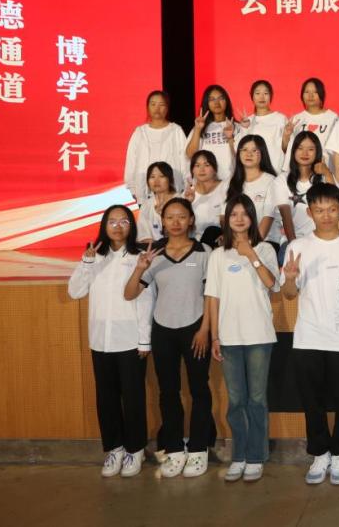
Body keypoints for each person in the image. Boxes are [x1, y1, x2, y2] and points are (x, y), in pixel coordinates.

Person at [281, 182, 339, 486]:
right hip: (308, 338)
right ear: (309, 213)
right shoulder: (297, 248)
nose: (326, 215)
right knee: (312, 401)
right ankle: (320, 453)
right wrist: (290, 279)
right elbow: (289, 294)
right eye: (319, 210)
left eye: (332, 209)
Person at [124, 198, 215, 479]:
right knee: (168, 392)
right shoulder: (154, 253)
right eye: (170, 217)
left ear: (191, 220)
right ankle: (174, 449)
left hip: (196, 330)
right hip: (163, 331)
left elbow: (211, 296)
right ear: (162, 221)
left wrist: (205, 330)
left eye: (182, 216)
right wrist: (140, 267)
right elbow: (129, 293)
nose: (176, 222)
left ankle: (199, 448)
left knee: (199, 390)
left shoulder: (204, 252)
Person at [67, 205, 154, 478]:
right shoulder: (95, 257)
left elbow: (145, 301)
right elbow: (75, 292)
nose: (118, 226)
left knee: (133, 398)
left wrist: (144, 340)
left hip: (130, 341)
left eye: (124, 221)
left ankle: (135, 449)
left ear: (132, 226)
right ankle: (114, 448)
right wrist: (86, 264)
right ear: (104, 226)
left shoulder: (140, 257)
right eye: (112, 221)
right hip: (100, 341)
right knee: (106, 399)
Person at [205, 196, 279, 483]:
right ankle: (239, 455)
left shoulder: (265, 249)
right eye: (233, 214)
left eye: (244, 213)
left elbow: (272, 283)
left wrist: (251, 255)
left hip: (259, 334)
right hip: (229, 337)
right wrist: (214, 336)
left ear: (252, 217)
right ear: (226, 218)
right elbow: (213, 297)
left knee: (257, 399)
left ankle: (256, 456)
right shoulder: (217, 255)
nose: (238, 219)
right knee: (236, 400)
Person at [271, 131, 335, 256]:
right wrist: (294, 246)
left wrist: (327, 173)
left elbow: (336, 205)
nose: (305, 153)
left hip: (323, 240)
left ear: (317, 152)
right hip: (293, 240)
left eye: (310, 149)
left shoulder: (325, 177)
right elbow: (286, 217)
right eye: (300, 148)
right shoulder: (282, 180)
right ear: (293, 151)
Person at [124, 90, 187, 206]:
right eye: (153, 104)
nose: (157, 108)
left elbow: (184, 158)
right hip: (145, 190)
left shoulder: (176, 130)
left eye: (161, 104)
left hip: (172, 190)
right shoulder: (140, 132)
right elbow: (131, 159)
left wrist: (186, 183)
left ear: (167, 108)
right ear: (147, 107)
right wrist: (132, 187)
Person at [225, 135, 282, 247]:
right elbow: (224, 217)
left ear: (262, 153)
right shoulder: (231, 182)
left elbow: (267, 218)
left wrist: (249, 246)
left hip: (264, 242)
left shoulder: (272, 181)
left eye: (254, 150)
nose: (249, 154)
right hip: (237, 243)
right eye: (244, 150)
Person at [281, 77, 338, 172]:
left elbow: (336, 148)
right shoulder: (296, 119)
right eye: (307, 92)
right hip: (300, 171)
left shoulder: (332, 118)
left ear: (321, 94)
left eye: (315, 92)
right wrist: (286, 135)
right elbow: (287, 150)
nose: (310, 96)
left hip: (324, 168)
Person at [186, 84, 241, 181]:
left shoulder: (237, 127)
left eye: (221, 98)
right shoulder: (200, 127)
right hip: (206, 181)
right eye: (212, 99)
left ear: (227, 101)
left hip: (230, 180)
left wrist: (230, 137)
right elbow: (190, 155)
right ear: (207, 103)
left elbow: (241, 156)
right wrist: (198, 129)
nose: (216, 102)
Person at [238, 80, 289, 169]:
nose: (261, 97)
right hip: (253, 171)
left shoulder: (280, 118)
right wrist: (244, 128)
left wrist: (287, 136)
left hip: (276, 170)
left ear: (271, 96)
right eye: (257, 93)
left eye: (265, 93)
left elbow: (287, 148)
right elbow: (241, 149)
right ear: (252, 96)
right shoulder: (247, 121)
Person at [184, 150, 227, 248]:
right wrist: (188, 203)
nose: (202, 169)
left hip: (219, 240)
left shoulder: (225, 187)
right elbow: (184, 226)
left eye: (207, 165)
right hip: (195, 243)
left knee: (211, 231)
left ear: (215, 169)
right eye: (197, 165)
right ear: (192, 170)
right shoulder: (188, 193)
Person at [136, 161, 177, 243]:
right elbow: (142, 234)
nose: (156, 181)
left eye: (161, 176)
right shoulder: (146, 205)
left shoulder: (180, 201)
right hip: (152, 248)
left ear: (170, 179)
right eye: (152, 177)